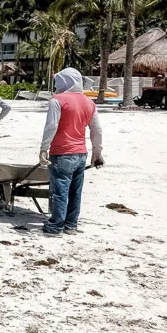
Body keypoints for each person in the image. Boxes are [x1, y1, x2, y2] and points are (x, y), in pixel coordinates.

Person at [39, 68, 104, 236]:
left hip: (62, 153)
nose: (56, 84)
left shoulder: (57, 100)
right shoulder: (89, 103)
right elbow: (96, 130)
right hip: (81, 154)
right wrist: (97, 152)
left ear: (65, 81)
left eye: (59, 80)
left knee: (60, 191)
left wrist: (43, 149)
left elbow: (51, 126)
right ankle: (71, 225)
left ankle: (55, 227)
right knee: (75, 192)